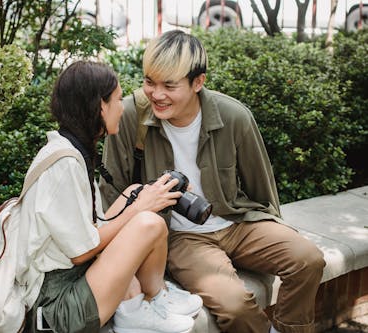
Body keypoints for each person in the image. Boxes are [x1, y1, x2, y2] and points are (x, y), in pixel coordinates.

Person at [99, 30, 326, 333]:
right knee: (235, 307)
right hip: (181, 238)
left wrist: (272, 230)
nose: (156, 94)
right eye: (149, 81)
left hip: (238, 221)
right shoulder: (131, 116)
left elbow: (261, 185)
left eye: (169, 85)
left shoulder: (234, 117)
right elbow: (112, 195)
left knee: (308, 259)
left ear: (198, 82)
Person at [20, 60, 202, 333]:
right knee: (147, 222)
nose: (122, 108)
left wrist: (147, 195)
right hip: (60, 308)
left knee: (134, 192)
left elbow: (86, 232)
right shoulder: (65, 164)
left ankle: (155, 296)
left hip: (68, 281)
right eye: (118, 100)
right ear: (100, 106)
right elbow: (81, 252)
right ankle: (134, 313)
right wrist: (139, 209)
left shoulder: (69, 148)